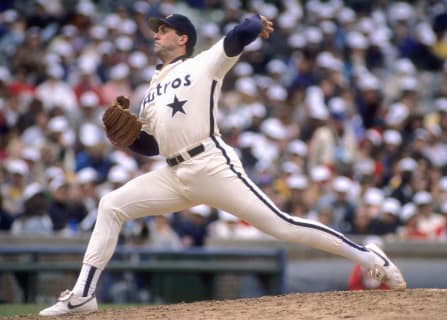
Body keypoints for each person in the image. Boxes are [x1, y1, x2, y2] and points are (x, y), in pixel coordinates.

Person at [39, 12, 405, 317]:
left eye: (163, 29)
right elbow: (153, 146)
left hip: (212, 165)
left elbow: (237, 36)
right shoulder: (151, 88)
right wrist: (128, 139)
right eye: (156, 29)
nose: (157, 34)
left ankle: (368, 257)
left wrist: (253, 22)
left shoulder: (203, 64)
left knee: (283, 226)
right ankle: (84, 294)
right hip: (174, 172)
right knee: (110, 205)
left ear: (182, 38)